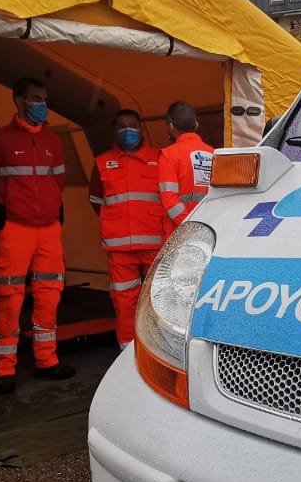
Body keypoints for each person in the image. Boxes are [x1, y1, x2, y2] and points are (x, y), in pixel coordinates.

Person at [0, 77, 75, 395]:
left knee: (49, 297)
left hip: (48, 230)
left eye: (44, 99)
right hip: (14, 229)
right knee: (9, 300)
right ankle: (4, 368)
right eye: (35, 98)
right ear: (18, 101)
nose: (41, 104)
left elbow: (57, 182)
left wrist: (50, 211)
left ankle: (47, 361)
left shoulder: (53, 141)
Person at [88, 110, 165, 350]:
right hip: (120, 249)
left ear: (142, 128)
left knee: (158, 302)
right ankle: (127, 354)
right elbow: (95, 200)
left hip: (155, 245)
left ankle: (159, 353)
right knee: (124, 303)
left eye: (132, 125)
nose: (128, 130)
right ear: (114, 131)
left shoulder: (160, 158)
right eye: (122, 126)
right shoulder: (102, 163)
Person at [157, 101, 215, 236]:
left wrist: (189, 227)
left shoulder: (168, 155)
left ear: (171, 126)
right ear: (196, 125)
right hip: (211, 229)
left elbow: (170, 200)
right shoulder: (214, 153)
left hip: (180, 234)